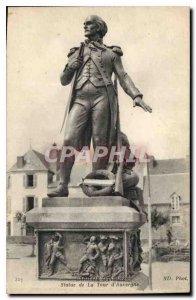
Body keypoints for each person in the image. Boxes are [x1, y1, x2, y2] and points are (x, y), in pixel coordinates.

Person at [48, 15, 152, 197]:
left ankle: (96, 185)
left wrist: (136, 95)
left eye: (89, 24)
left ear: (99, 28)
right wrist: (71, 67)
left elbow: (123, 76)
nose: (85, 26)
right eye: (84, 24)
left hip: (102, 98)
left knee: (100, 143)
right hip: (80, 98)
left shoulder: (111, 53)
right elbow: (64, 80)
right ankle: (62, 185)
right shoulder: (76, 52)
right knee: (69, 139)